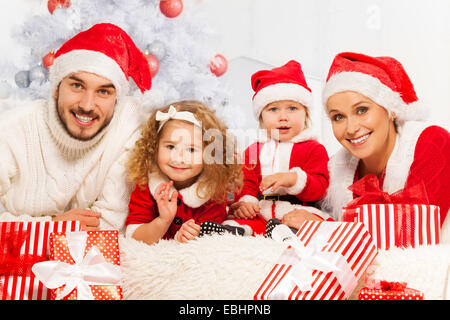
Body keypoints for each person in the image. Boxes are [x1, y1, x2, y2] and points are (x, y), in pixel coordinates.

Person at [0, 23, 152, 232]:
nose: (87, 105)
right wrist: (51, 228)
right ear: (56, 89)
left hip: (88, 263)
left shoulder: (128, 127)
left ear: (116, 99)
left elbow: (109, 226)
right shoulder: (11, 129)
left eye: (103, 92)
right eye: (77, 86)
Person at [285, 52, 450, 235]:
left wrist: (324, 228)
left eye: (362, 110)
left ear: (391, 109)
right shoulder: (336, 166)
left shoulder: (432, 142)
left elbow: (416, 230)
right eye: (338, 117)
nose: (351, 128)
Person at [202, 60, 332, 237]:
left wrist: (293, 179)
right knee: (243, 221)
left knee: (313, 224)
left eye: (292, 108)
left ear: (306, 114)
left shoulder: (313, 148)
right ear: (261, 116)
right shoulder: (254, 149)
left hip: (297, 210)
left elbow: (320, 187)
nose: (283, 117)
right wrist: (246, 202)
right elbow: (245, 182)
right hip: (261, 209)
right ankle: (234, 231)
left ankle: (287, 232)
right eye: (273, 109)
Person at [124, 101, 243, 244]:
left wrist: (189, 236)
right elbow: (134, 238)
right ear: (154, 147)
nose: (179, 158)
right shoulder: (146, 184)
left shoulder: (214, 191)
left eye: (191, 150)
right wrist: (163, 221)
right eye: (171, 146)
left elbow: (212, 243)